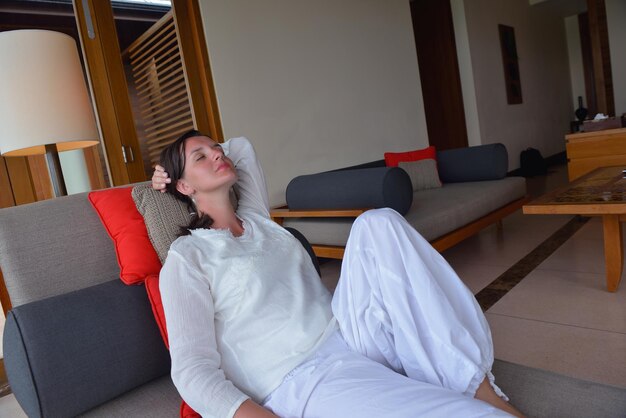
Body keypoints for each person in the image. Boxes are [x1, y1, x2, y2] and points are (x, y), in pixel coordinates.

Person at [153, 130, 525, 418]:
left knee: (377, 223)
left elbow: (242, 147)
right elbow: (193, 371)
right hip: (303, 376)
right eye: (201, 157)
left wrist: (196, 157)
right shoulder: (188, 256)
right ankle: (479, 401)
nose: (217, 153)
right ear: (184, 187)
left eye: (215, 147)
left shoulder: (256, 219)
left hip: (351, 333)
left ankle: (477, 385)